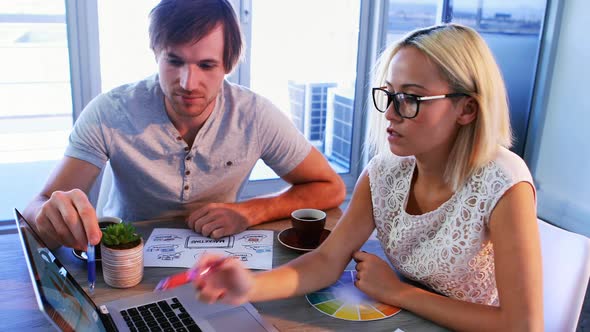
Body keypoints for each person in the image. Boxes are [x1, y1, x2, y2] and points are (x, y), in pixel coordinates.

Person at [191, 24, 543, 330]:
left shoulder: (503, 182)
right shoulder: (386, 170)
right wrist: (248, 287)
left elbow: (523, 326)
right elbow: (327, 260)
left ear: (466, 108)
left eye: (410, 98)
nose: (390, 113)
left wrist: (398, 292)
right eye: (389, 94)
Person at [23, 0, 345, 251]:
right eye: (174, 61)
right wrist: (51, 217)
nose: (188, 83)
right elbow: (38, 207)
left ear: (228, 66)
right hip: (123, 257)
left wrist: (250, 212)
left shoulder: (255, 115)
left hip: (214, 262)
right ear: (156, 54)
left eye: (206, 65)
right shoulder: (110, 111)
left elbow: (331, 187)